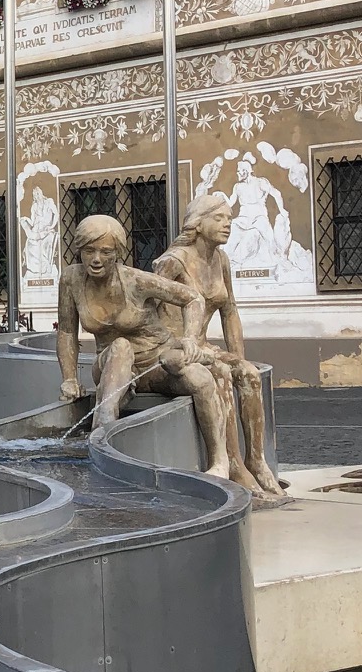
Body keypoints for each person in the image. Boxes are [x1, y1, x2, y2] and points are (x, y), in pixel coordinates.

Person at [56, 214, 231, 478]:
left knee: (200, 378)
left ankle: (219, 461)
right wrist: (69, 379)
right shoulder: (72, 279)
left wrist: (190, 338)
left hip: (156, 362)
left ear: (118, 253)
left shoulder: (136, 280)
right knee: (121, 346)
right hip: (112, 366)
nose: (96, 259)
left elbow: (192, 298)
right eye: (89, 251)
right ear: (79, 250)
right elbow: (67, 331)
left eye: (105, 252)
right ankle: (102, 433)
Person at [156, 194, 285, 500]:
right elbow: (149, 311)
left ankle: (257, 461)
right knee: (222, 374)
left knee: (249, 374)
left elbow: (230, 311)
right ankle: (234, 465)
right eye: (219, 218)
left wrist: (239, 358)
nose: (227, 224)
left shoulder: (221, 260)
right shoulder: (173, 261)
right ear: (197, 224)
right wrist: (176, 346)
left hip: (202, 346)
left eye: (229, 218)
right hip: (176, 349)